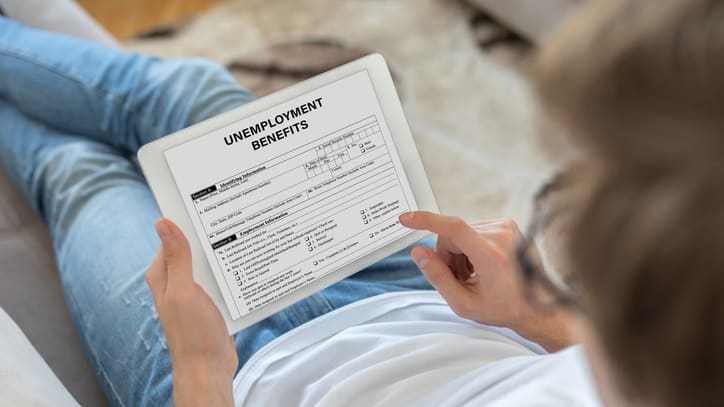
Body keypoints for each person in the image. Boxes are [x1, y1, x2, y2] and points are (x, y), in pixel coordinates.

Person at [2, 0, 723, 405]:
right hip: (416, 294)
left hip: (241, 373)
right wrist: (535, 312)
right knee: (196, 96)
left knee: (83, 172)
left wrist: (197, 368)